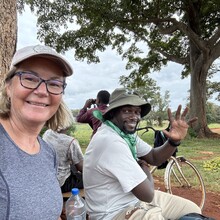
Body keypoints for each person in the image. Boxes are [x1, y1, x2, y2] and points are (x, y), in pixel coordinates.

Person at [83, 88, 202, 220]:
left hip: (132, 200)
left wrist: (173, 141)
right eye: (127, 111)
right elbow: (147, 194)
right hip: (113, 213)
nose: (134, 116)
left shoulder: (126, 135)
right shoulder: (110, 142)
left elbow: (154, 157)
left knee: (191, 210)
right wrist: (144, 166)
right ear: (112, 113)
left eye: (137, 112)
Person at [0, 44, 74, 220]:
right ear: (9, 86)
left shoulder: (48, 152)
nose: (42, 91)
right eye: (30, 78)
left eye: (54, 83)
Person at [42, 125, 84, 193]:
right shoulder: (70, 141)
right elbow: (81, 167)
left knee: (72, 166)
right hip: (61, 183)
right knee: (87, 179)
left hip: (47, 177)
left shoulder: (47, 133)